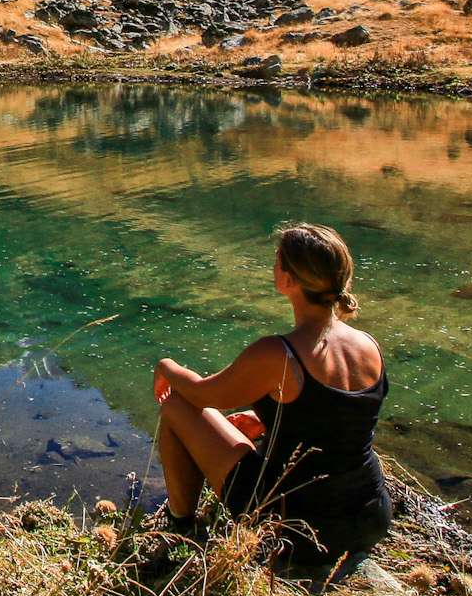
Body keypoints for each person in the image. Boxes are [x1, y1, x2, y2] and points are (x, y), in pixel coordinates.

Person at [151, 223, 391, 567]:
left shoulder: (279, 354)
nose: (273, 267)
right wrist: (266, 420)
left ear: (289, 280)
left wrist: (167, 367)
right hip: (370, 517)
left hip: (296, 526)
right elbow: (336, 417)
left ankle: (181, 528)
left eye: (278, 262)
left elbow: (204, 395)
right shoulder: (368, 345)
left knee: (176, 404)